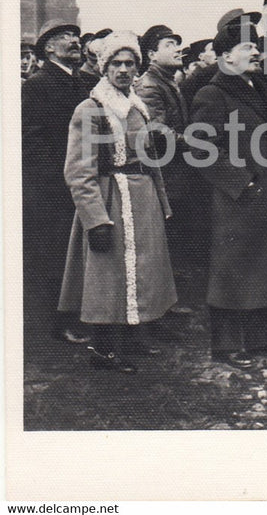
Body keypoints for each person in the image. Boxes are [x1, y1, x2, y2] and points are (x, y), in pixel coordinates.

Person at [190, 12, 267, 368]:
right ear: (226, 56)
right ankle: (226, 346)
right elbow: (200, 149)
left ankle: (260, 340)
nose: (257, 53)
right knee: (232, 269)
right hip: (237, 196)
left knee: (263, 266)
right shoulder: (211, 93)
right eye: (248, 47)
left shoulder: (255, 88)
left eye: (256, 47)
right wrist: (241, 183)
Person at [59, 31, 177, 373]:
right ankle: (104, 349)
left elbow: (150, 158)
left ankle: (133, 337)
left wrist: (161, 200)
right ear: (103, 66)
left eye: (129, 64)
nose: (123, 70)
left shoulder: (137, 106)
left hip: (143, 198)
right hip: (111, 197)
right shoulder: (90, 109)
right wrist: (95, 218)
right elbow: (79, 171)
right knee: (110, 274)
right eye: (116, 63)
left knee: (142, 269)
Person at [22, 19, 89, 343]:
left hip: (79, 183)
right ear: (48, 48)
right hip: (53, 189)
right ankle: (57, 324)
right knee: (53, 256)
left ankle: (74, 317)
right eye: (65, 37)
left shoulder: (80, 83)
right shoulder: (38, 84)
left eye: (76, 35)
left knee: (74, 254)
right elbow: (32, 142)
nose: (74, 40)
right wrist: (60, 180)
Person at [135, 25, 191, 276]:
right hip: (166, 172)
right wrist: (190, 141)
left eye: (177, 44)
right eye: (169, 45)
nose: (177, 49)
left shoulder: (167, 80)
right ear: (151, 55)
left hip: (175, 170)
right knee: (168, 234)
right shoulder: (149, 85)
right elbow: (156, 129)